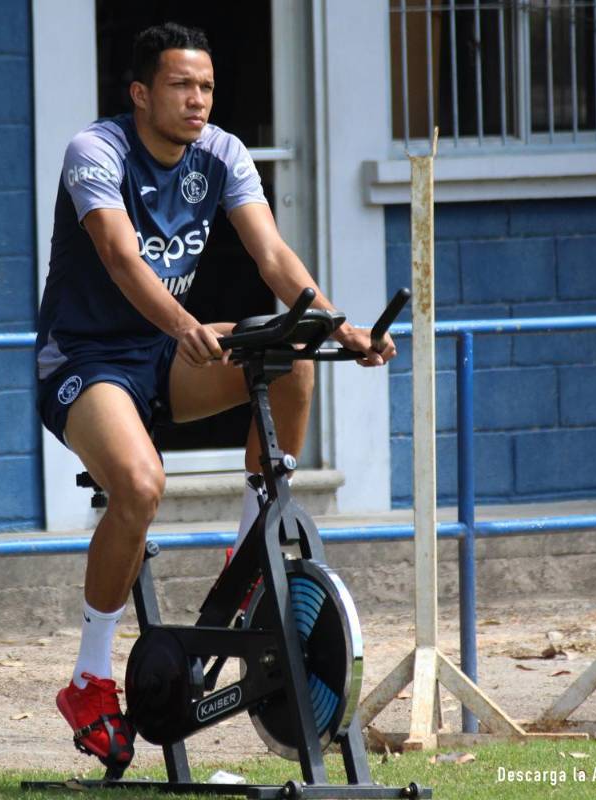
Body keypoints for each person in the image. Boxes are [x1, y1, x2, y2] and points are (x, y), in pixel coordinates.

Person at [35, 22, 396, 770]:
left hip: (166, 353)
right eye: (180, 85)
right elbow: (118, 254)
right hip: (86, 359)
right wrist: (184, 322)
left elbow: (271, 255)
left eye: (205, 86)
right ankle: (90, 678)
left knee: (292, 351)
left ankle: (253, 541)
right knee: (139, 484)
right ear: (141, 94)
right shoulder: (95, 150)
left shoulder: (223, 153)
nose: (197, 100)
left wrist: (342, 327)